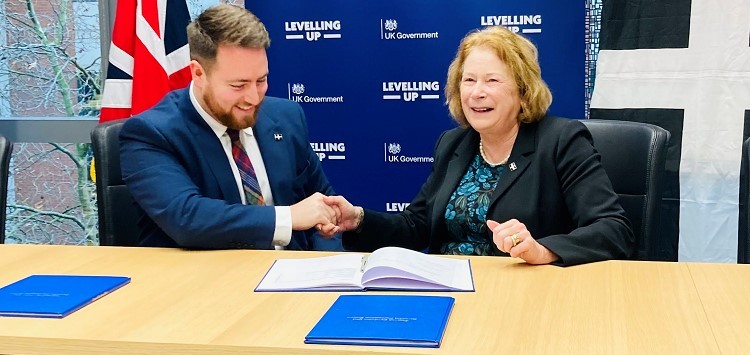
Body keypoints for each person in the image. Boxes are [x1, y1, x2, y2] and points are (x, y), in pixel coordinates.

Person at [325, 26, 634, 266]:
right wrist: (359, 219)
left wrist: (544, 250)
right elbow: (417, 225)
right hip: (449, 289)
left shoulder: (561, 141)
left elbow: (612, 229)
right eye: (469, 80)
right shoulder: (454, 144)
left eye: (492, 81)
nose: (476, 93)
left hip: (525, 295)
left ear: (523, 92)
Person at [119, 4, 340, 250]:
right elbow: (188, 219)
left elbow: (324, 207)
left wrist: (329, 268)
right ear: (198, 74)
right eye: (238, 85)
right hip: (205, 281)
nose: (254, 98)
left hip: (293, 277)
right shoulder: (151, 134)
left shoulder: (287, 117)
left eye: (261, 80)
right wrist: (287, 218)